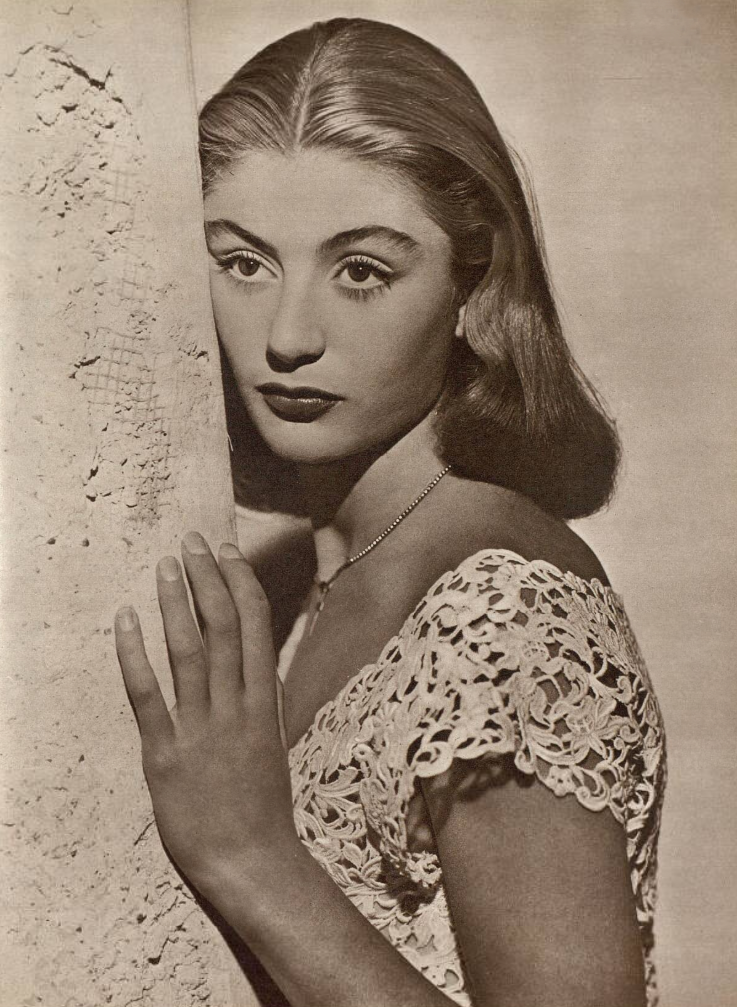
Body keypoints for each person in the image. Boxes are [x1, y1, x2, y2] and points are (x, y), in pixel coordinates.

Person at [114, 17, 666, 1007]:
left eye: (362, 270)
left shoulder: (503, 613)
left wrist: (251, 857)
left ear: (472, 282)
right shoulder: (305, 572)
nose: (287, 336)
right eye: (243, 262)